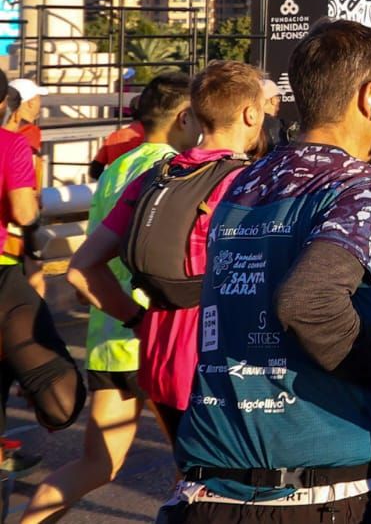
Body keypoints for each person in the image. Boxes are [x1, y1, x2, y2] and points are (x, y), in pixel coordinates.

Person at [163, 21, 371, 523]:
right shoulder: (365, 187)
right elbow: (308, 303)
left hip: (207, 487)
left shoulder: (241, 181)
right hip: (317, 492)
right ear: (369, 99)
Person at [61, 63, 268, 459]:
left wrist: (139, 322)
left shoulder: (155, 177)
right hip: (226, 369)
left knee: (193, 483)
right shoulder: (250, 182)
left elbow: (80, 270)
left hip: (160, 359)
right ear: (251, 114)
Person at [22, 73, 199, 523]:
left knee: (97, 464)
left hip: (109, 336)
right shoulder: (172, 169)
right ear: (184, 117)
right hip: (155, 338)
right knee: (202, 471)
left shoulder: (121, 163)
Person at [0, 69, 84, 465]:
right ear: (5, 105)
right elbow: (22, 209)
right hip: (2, 270)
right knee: (62, 395)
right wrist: (33, 229)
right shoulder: (11, 145)